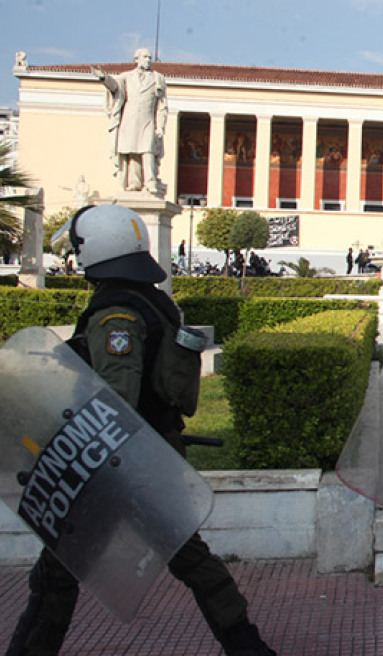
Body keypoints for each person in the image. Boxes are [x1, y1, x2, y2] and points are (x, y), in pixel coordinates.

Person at [5, 205, 276, 656]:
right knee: (188, 558)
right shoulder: (149, 301)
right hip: (149, 454)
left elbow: (116, 399)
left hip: (120, 461)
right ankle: (246, 645)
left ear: (96, 249)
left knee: (60, 567)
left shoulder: (116, 316)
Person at [91, 48, 168, 196]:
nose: (148, 60)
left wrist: (161, 126)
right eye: (145, 57)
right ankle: (135, 183)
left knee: (148, 150)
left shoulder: (158, 78)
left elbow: (162, 106)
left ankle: (150, 181)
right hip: (129, 120)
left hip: (148, 120)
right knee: (132, 152)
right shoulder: (126, 77)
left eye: (149, 57)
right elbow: (114, 87)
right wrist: (104, 78)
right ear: (136, 59)